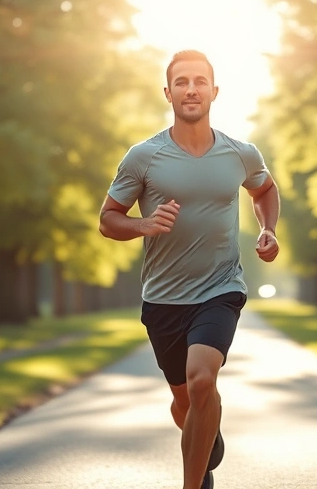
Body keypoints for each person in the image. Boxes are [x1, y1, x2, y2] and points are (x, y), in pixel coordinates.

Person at [99, 49, 280, 489]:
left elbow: (264, 189)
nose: (191, 89)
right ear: (168, 92)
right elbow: (107, 219)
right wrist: (144, 224)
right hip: (163, 298)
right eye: (182, 82)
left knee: (202, 381)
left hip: (221, 288)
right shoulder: (144, 157)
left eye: (200, 81)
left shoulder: (240, 153)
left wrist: (269, 229)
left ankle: (192, 485)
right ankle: (205, 428)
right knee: (185, 401)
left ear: (214, 91)